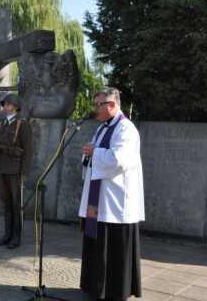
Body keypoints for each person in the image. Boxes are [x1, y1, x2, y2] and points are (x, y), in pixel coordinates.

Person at [78, 87, 144, 300]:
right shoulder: (102, 128)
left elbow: (119, 160)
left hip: (115, 202)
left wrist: (94, 152)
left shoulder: (126, 128)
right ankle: (95, 286)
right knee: (97, 247)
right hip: (99, 201)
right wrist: (89, 153)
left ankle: (114, 290)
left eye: (98, 104)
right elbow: (95, 155)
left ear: (112, 105)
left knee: (112, 248)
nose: (95, 109)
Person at [0, 93, 33, 249]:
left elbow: (28, 150)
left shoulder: (23, 124)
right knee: (6, 204)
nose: (6, 107)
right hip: (1, 169)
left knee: (17, 205)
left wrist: (24, 172)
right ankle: (7, 235)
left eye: (9, 104)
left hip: (16, 170)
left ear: (16, 107)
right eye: (5, 104)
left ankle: (16, 236)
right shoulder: (0, 123)